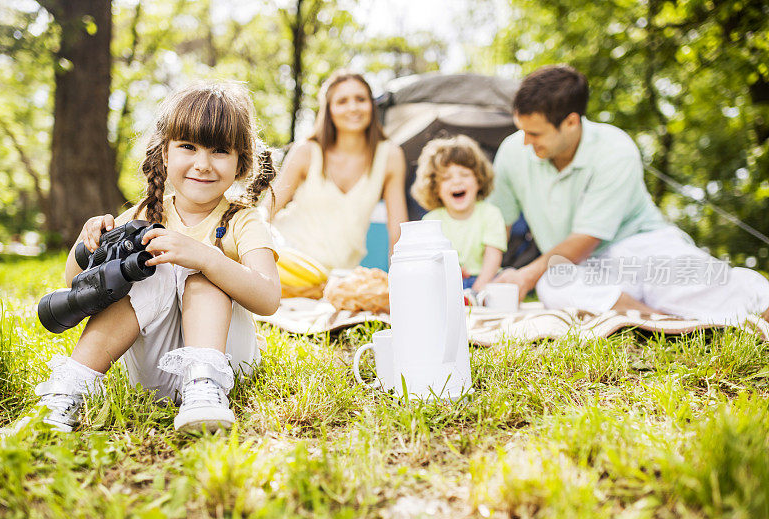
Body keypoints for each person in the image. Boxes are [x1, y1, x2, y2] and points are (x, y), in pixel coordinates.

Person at [30, 82, 280, 433]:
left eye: (220, 151)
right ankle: (67, 392)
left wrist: (207, 258)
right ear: (165, 154)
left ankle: (203, 391)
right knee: (143, 269)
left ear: (241, 162)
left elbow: (269, 298)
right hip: (155, 373)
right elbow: (75, 284)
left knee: (202, 272)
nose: (202, 164)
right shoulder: (144, 215)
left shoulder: (243, 220)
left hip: (223, 367)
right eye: (188, 147)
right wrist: (87, 245)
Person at [491, 65, 769, 325]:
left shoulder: (615, 149)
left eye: (534, 133)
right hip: (581, 267)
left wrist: (525, 275)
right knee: (552, 283)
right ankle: (656, 321)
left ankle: (757, 301)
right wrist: (485, 279)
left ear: (571, 122)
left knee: (680, 281)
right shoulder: (513, 151)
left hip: (639, 248)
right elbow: (497, 223)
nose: (525, 141)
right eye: (522, 130)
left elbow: (586, 239)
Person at [268, 70, 407, 276]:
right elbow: (266, 211)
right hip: (287, 265)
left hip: (338, 277)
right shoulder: (306, 151)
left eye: (360, 99)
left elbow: (398, 231)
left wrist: (402, 281)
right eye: (342, 101)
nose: (353, 107)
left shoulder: (389, 155)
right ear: (329, 110)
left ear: (371, 105)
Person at [411, 135, 507, 293]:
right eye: (446, 178)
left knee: (505, 280)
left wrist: (476, 290)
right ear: (435, 188)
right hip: (446, 284)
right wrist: (450, 272)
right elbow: (428, 263)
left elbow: (493, 257)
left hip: (485, 280)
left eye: (465, 175)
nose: (457, 182)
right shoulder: (431, 221)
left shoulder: (490, 214)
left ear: (479, 180)